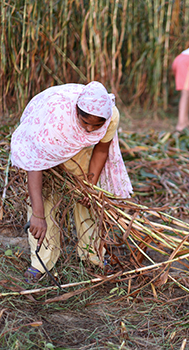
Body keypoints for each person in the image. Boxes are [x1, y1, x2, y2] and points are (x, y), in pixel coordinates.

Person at [11, 81, 133, 282]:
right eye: (85, 122)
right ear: (76, 111)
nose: (88, 129)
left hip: (79, 149)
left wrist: (90, 186)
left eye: (96, 125)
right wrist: (38, 215)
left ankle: (92, 256)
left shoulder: (112, 117)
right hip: (46, 141)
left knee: (88, 200)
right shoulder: (55, 121)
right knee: (44, 199)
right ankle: (41, 262)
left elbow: (101, 149)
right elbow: (35, 164)